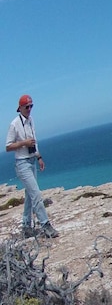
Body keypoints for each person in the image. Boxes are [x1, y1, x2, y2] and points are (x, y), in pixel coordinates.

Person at [5, 95, 59, 238]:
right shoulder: (14, 124)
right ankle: (45, 224)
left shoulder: (31, 121)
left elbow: (34, 141)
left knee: (29, 195)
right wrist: (24, 143)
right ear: (20, 108)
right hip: (22, 163)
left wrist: (39, 156)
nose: (29, 109)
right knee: (36, 194)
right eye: (26, 107)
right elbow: (8, 146)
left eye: (31, 106)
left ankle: (26, 225)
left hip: (32, 160)